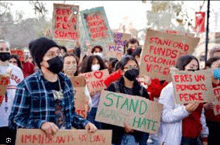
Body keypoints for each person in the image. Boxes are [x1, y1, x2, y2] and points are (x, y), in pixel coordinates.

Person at [9, 37, 97, 140]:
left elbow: (70, 115)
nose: (57, 57)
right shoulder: (27, 85)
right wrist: (41, 124)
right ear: (40, 61)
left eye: (58, 53)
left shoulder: (66, 81)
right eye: (51, 55)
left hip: (63, 140)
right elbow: (14, 121)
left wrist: (85, 123)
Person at [158, 55, 208, 145]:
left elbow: (201, 114)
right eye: (191, 67)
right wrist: (185, 110)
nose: (194, 70)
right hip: (179, 138)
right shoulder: (169, 89)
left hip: (196, 137)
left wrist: (204, 135)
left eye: (197, 68)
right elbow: (164, 116)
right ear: (182, 68)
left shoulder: (197, 88)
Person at [102, 56, 150, 145]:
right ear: (121, 71)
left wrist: (135, 128)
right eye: (129, 67)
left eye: (135, 66)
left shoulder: (142, 91)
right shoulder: (113, 88)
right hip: (116, 138)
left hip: (135, 139)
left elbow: (147, 117)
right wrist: (122, 125)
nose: (133, 69)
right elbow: (105, 115)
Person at [0, 40, 24, 145]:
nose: (4, 52)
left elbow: (22, 92)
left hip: (12, 118)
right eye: (1, 49)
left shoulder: (17, 70)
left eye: (6, 49)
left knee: (9, 142)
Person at [79, 55, 107, 129]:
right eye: (93, 63)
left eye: (97, 63)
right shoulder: (83, 77)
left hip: (101, 109)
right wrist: (88, 94)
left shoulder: (105, 77)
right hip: (90, 109)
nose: (96, 65)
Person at [204, 57, 220, 145]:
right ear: (207, 68)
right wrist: (204, 107)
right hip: (208, 125)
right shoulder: (202, 85)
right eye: (218, 66)